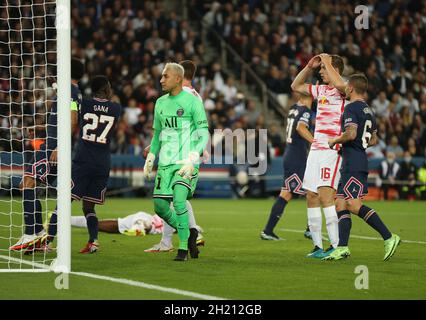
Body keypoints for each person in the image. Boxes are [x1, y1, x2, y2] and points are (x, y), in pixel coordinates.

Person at [9, 58, 84, 252]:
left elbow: (72, 119)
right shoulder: (69, 91)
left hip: (53, 148)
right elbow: (63, 120)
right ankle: (39, 237)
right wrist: (41, 128)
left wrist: (59, 146)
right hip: (51, 145)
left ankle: (32, 233)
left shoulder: (70, 91)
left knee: (28, 182)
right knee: (28, 183)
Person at [325, 73, 401, 261]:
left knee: (352, 204)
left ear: (350, 88)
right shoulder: (369, 110)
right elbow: (373, 139)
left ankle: (389, 237)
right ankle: (342, 247)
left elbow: (350, 134)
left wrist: (335, 140)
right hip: (354, 160)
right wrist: (359, 145)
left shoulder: (351, 109)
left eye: (345, 87)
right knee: (340, 203)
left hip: (354, 163)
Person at [143, 63, 209, 261]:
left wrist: (193, 157)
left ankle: (182, 249)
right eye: (162, 76)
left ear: (178, 78)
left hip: (185, 163)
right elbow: (157, 136)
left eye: (165, 76)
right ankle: (189, 233)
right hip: (165, 163)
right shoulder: (160, 103)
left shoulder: (193, 101)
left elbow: (204, 133)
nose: (161, 80)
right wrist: (151, 156)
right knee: (160, 207)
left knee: (179, 201)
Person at [291, 53, 346, 258]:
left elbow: (340, 85)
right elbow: (295, 86)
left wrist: (328, 63)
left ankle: (336, 246)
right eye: (321, 69)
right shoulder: (321, 89)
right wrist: (308, 66)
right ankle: (317, 246)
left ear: (334, 68)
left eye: (323, 69)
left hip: (332, 149)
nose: (320, 72)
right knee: (311, 195)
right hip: (316, 149)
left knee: (325, 195)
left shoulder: (343, 88)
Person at [70, 75, 122, 253]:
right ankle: (93, 241)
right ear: (107, 89)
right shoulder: (116, 108)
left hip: (83, 159)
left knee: (65, 200)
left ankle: (47, 239)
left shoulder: (84, 104)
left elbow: (74, 118)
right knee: (88, 205)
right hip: (102, 162)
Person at [260, 94, 314, 241]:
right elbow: (301, 128)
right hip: (297, 157)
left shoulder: (293, 109)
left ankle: (268, 230)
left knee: (292, 193)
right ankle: (310, 229)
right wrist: (316, 142)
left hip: (291, 154)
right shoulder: (307, 112)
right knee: (312, 192)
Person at [70, 212, 205, 246]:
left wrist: (197, 233)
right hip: (146, 219)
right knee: (144, 221)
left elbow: (194, 227)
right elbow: (194, 227)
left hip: (147, 224)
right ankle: (138, 226)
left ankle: (65, 220)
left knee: (101, 225)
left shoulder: (176, 224)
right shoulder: (170, 215)